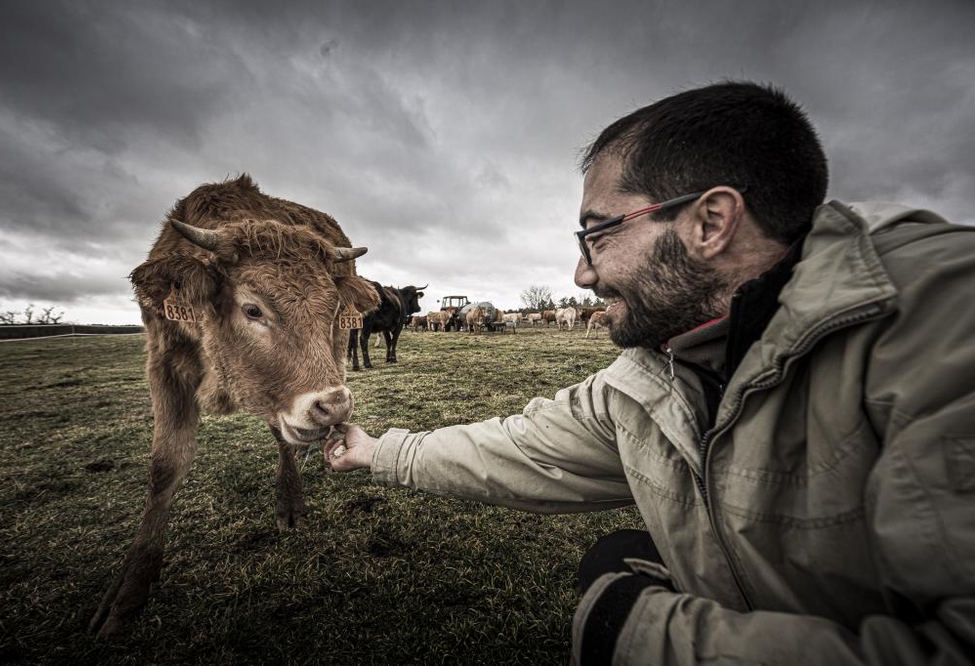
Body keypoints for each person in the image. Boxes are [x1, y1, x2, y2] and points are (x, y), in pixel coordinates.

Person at [324, 81, 975, 664]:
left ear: (710, 222)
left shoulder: (943, 324)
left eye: (596, 235)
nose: (582, 273)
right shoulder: (658, 368)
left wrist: (632, 634)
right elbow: (521, 447)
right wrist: (379, 450)